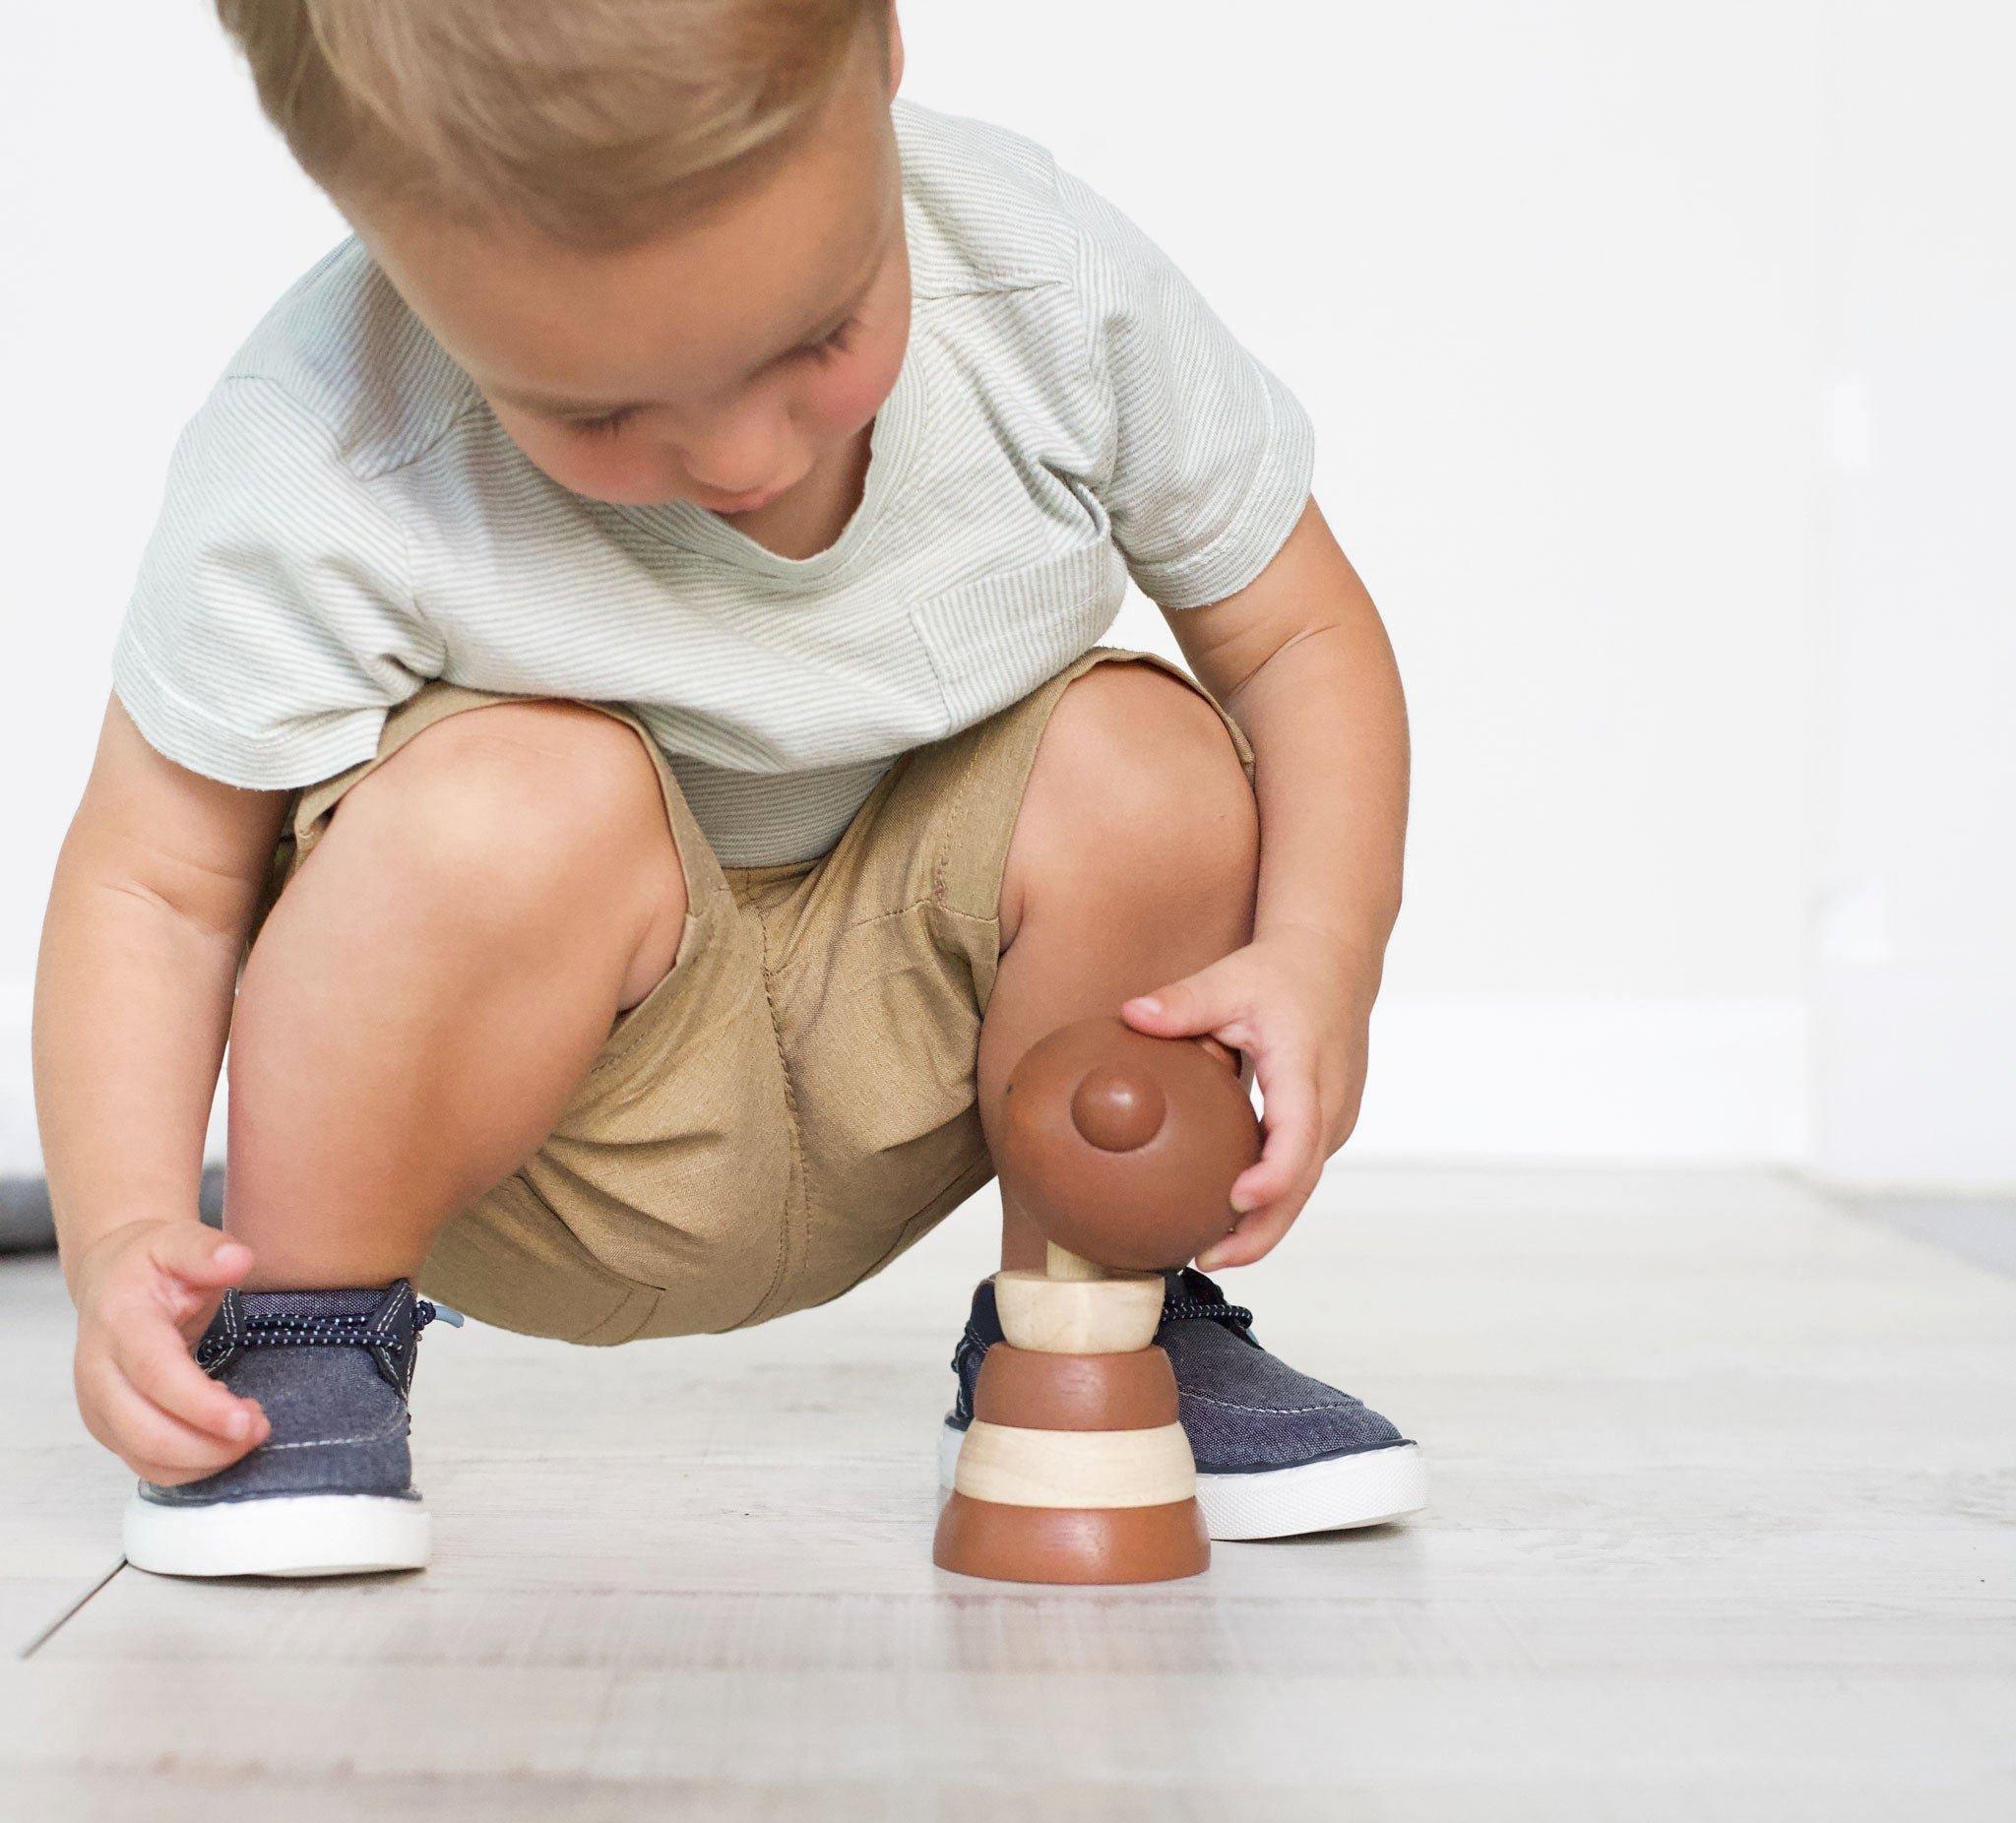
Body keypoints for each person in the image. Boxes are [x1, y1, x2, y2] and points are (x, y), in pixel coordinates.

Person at [33, 0, 1424, 1578]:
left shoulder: (1042, 283)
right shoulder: (329, 440)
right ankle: (304, 1334)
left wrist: (1323, 957)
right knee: (518, 798)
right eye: (598, 412)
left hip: (926, 1049)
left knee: (1148, 761)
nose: (740, 455)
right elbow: (155, 880)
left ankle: (1096, 1326)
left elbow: (1299, 636)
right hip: (546, 1125)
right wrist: (129, 1236)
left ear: (883, 55)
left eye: (816, 338)